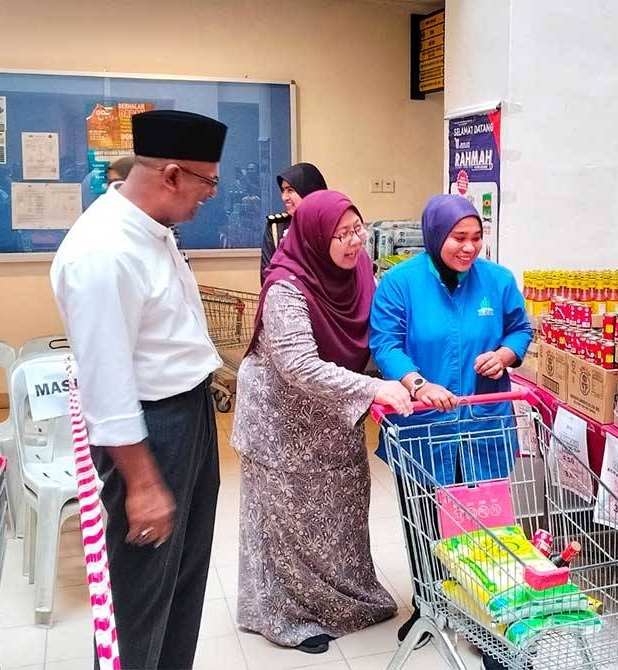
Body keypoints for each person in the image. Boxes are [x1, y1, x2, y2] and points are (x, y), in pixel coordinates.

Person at [50, 110, 227, 669]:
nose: (210, 197)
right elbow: (107, 383)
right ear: (171, 174)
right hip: (149, 433)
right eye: (207, 183)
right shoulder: (103, 251)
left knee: (184, 576)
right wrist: (143, 482)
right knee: (138, 595)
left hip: (189, 416)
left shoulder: (153, 229)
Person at [232, 190, 411, 654]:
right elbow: (298, 365)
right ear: (313, 237)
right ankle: (285, 615)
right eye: (342, 234)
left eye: (358, 229)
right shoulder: (286, 287)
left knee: (343, 510)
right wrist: (374, 388)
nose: (355, 242)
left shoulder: (359, 275)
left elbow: (376, 336)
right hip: (281, 423)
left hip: (332, 416)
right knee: (286, 522)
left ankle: (345, 602)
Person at [369, 194, 533, 666]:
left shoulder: (497, 282)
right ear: (436, 235)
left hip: (484, 424)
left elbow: (520, 330)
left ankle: (491, 620)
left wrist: (505, 355)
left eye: (477, 238)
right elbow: (385, 342)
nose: (469, 248)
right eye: (459, 238)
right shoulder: (400, 283)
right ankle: (429, 604)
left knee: (488, 524)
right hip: (423, 427)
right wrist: (417, 383)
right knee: (423, 523)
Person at [259, 162, 328, 282]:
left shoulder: (330, 224)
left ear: (308, 191)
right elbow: (267, 276)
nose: (284, 197)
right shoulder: (277, 227)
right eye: (283, 190)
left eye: (290, 190)